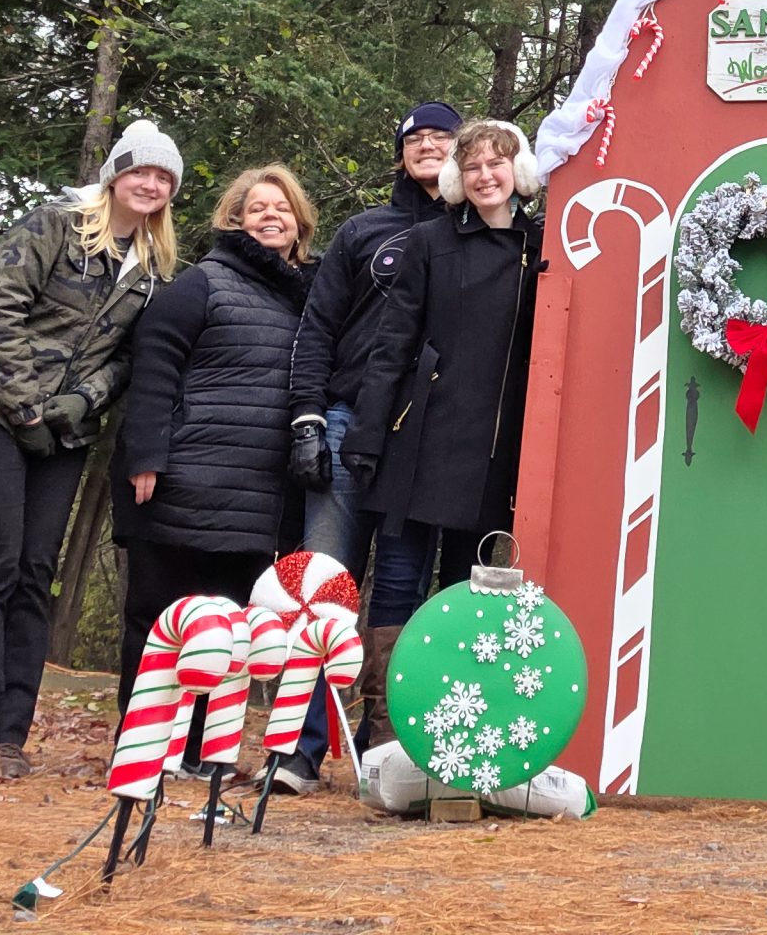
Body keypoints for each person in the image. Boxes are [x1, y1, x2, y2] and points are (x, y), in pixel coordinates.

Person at [0, 119, 180, 783]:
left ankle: (10, 733)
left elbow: (129, 359)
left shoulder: (152, 270)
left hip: (66, 431)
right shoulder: (53, 226)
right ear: (115, 176)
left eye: (163, 177)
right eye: (141, 171)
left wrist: (80, 405)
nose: (150, 184)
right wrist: (25, 408)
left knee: (36, 569)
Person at [277, 100, 460, 789]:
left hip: (424, 439)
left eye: (444, 136)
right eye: (417, 139)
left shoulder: (476, 236)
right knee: (325, 585)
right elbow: (316, 330)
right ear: (400, 153)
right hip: (349, 420)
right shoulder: (364, 233)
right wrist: (308, 418)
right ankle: (300, 745)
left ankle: (382, 746)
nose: (429, 147)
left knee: (403, 591)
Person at [343, 118, 543, 744]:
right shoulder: (428, 241)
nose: (486, 175)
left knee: (470, 589)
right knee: (399, 581)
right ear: (460, 175)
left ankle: (455, 729)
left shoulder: (543, 248)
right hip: (422, 440)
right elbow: (392, 345)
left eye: (497, 163)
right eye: (474, 164)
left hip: (497, 448)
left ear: (519, 171)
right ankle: (383, 732)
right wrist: (368, 434)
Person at [113, 164, 319, 729]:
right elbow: (155, 368)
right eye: (257, 208)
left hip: (255, 502)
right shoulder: (201, 282)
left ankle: (203, 744)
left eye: (281, 208)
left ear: (299, 224)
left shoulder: (314, 301)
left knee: (226, 630)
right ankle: (143, 741)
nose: (270, 216)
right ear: (236, 221)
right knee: (157, 620)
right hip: (180, 486)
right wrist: (147, 456)